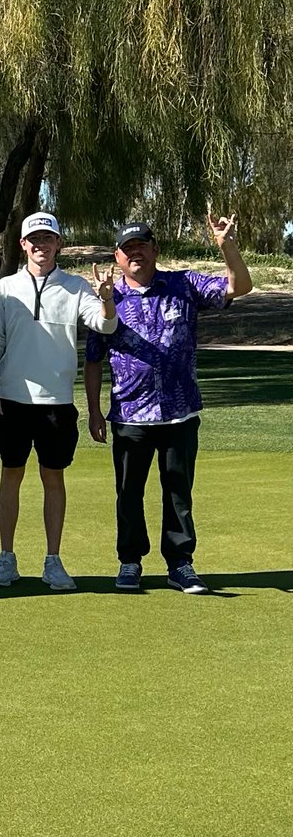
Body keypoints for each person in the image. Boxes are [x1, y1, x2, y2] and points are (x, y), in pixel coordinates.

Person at [84, 215, 251, 594]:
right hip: (129, 414)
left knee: (178, 492)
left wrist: (226, 245)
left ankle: (180, 564)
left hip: (179, 411)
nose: (136, 253)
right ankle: (130, 562)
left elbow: (239, 286)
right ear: (117, 256)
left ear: (155, 249)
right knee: (128, 493)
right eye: (128, 249)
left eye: (142, 245)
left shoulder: (184, 284)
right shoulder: (107, 299)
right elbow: (93, 360)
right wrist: (94, 411)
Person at [0, 212, 117, 591]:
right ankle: (6, 558)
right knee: (11, 474)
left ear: (58, 244)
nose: (41, 245)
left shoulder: (76, 287)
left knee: (52, 477)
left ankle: (53, 561)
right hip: (11, 399)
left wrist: (106, 300)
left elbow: (104, 325)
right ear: (22, 244)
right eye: (33, 240)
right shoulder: (6, 288)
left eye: (48, 239)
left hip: (56, 403)